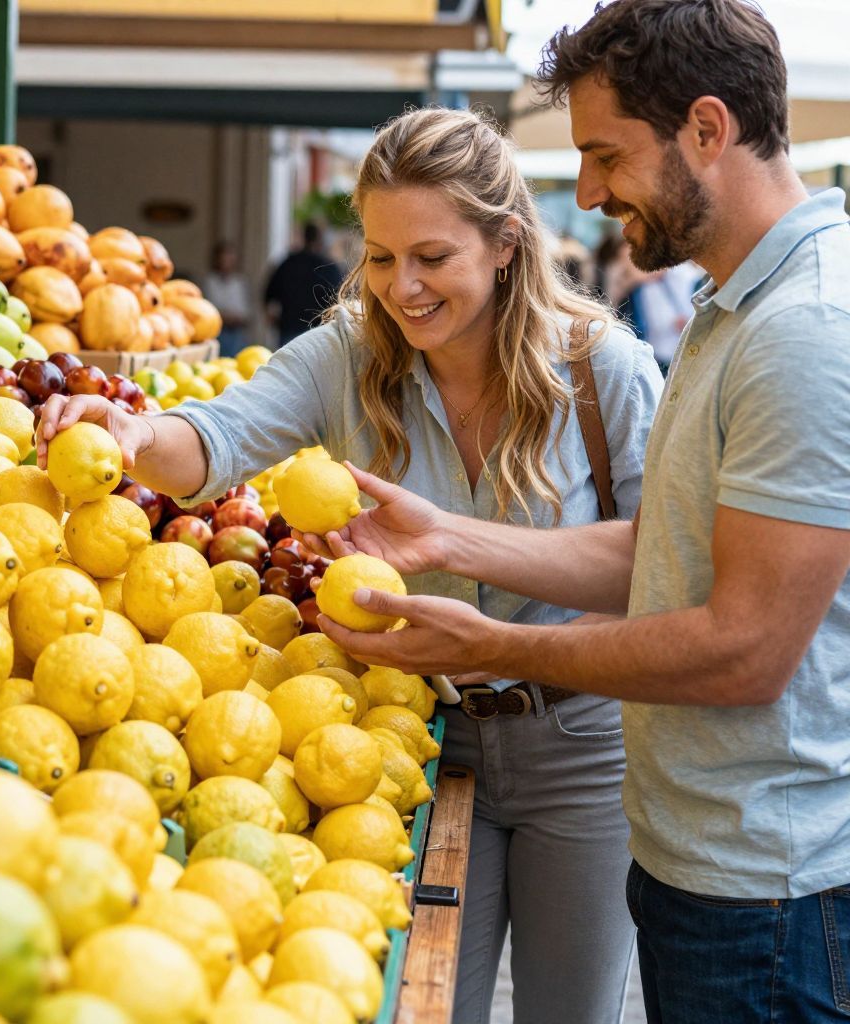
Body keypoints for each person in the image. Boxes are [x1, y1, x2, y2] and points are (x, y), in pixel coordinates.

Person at [37, 107, 664, 1024]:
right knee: (424, 1004)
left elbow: (666, 557)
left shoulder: (602, 370)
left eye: (431, 257)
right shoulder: (348, 357)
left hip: (582, 741)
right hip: (408, 739)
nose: (401, 287)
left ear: (504, 244)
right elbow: (213, 438)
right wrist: (131, 433)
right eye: (378, 257)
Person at [310, 3, 850, 1020]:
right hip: (707, 862)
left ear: (705, 128)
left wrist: (497, 647)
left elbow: (746, 647)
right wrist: (456, 538)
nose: (590, 192)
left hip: (774, 894)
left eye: (606, 155)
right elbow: (664, 559)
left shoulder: (805, 328)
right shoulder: (734, 308)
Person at [264, 222, 343, 345]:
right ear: (319, 239)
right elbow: (340, 297)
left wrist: (275, 320)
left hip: (289, 328)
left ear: (304, 237)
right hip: (319, 332)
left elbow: (269, 295)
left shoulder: (287, 263)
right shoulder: (328, 266)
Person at [202, 240, 254, 355]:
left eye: (230, 257)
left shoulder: (240, 282)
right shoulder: (210, 281)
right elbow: (208, 308)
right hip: (218, 332)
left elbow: (246, 311)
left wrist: (236, 318)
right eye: (224, 257)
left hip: (237, 333)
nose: (227, 261)